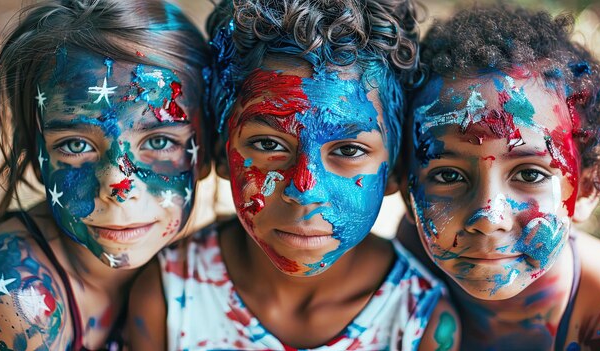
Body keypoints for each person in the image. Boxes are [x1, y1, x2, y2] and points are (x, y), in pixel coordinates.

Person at [127, 0, 460, 350]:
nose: (305, 188)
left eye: (348, 150)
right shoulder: (167, 297)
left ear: (395, 169)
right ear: (220, 151)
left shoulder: (420, 322)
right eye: (269, 143)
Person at [0, 0, 210, 349]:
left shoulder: (204, 267)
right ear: (36, 153)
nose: (117, 185)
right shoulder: (19, 298)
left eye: (160, 140)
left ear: (207, 151)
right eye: (76, 145)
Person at [397, 5, 600, 350]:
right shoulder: (395, 272)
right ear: (407, 192)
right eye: (449, 174)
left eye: (530, 173)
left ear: (587, 187)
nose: (489, 218)